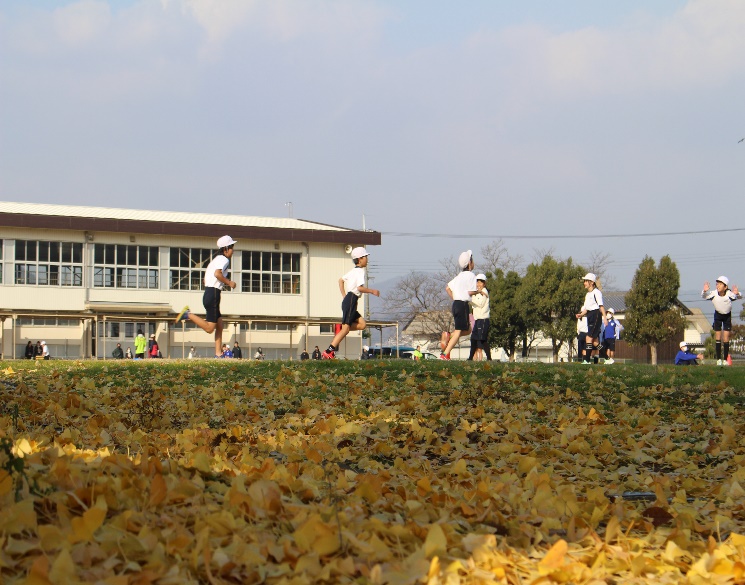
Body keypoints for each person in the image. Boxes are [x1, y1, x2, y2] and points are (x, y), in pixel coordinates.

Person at [174, 235, 237, 358]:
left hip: (209, 293)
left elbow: (205, 279)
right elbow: (217, 274)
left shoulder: (214, 261)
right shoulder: (224, 260)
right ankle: (188, 314)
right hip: (213, 294)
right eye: (232, 248)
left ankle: (218, 354)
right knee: (209, 328)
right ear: (226, 249)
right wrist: (229, 283)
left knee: (220, 324)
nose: (233, 250)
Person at [322, 247, 380, 359]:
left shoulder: (353, 271)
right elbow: (359, 288)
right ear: (360, 259)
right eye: (365, 257)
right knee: (345, 330)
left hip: (350, 301)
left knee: (362, 325)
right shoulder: (359, 272)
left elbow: (340, 280)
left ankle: (343, 327)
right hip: (351, 300)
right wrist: (372, 291)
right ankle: (329, 351)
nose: (367, 259)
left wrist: (344, 296)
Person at [440, 250, 478, 359]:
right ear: (470, 262)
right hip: (462, 305)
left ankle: (449, 336)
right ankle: (445, 354)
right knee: (458, 331)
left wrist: (455, 298)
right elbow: (471, 291)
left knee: (468, 330)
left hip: (456, 304)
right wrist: (479, 291)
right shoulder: (471, 275)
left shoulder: (459, 276)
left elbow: (447, 287)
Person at [701, 276, 742, 366]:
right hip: (718, 315)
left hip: (727, 316)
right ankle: (718, 359)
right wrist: (704, 290)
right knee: (718, 336)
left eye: (720, 284)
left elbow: (739, 297)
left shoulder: (729, 294)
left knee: (726, 337)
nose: (718, 286)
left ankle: (725, 359)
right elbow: (704, 296)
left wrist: (737, 293)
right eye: (717, 284)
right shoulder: (714, 293)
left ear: (725, 287)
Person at [575, 273, 606, 364]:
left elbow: (601, 306)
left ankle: (587, 360)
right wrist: (580, 315)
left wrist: (604, 318)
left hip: (596, 315)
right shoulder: (588, 294)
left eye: (586, 281)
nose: (584, 283)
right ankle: (608, 358)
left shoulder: (596, 292)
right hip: (590, 315)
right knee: (595, 341)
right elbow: (586, 309)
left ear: (592, 282)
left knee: (588, 338)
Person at [468, 274, 492, 361]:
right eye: (477, 282)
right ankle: (470, 358)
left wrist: (470, 300)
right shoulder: (477, 292)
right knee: (473, 339)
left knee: (482, 340)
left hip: (483, 319)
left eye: (481, 282)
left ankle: (489, 358)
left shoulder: (484, 292)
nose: (479, 284)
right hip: (477, 319)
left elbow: (480, 304)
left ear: (484, 284)